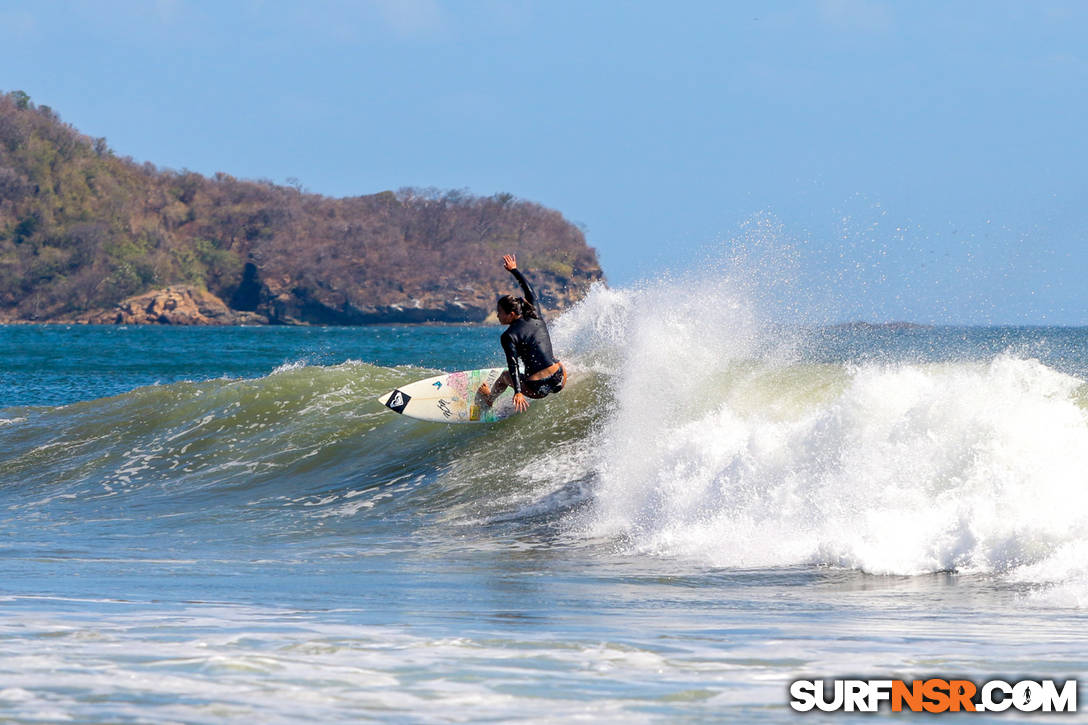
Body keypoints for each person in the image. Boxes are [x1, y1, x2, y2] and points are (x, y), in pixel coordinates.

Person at [477, 254, 566, 413]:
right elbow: (529, 290)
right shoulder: (535, 315)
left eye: (500, 313)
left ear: (511, 314)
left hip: (537, 389)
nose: (497, 316)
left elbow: (513, 365)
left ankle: (489, 399)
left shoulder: (508, 336)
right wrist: (514, 270)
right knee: (553, 358)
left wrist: (518, 391)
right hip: (560, 379)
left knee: (505, 376)